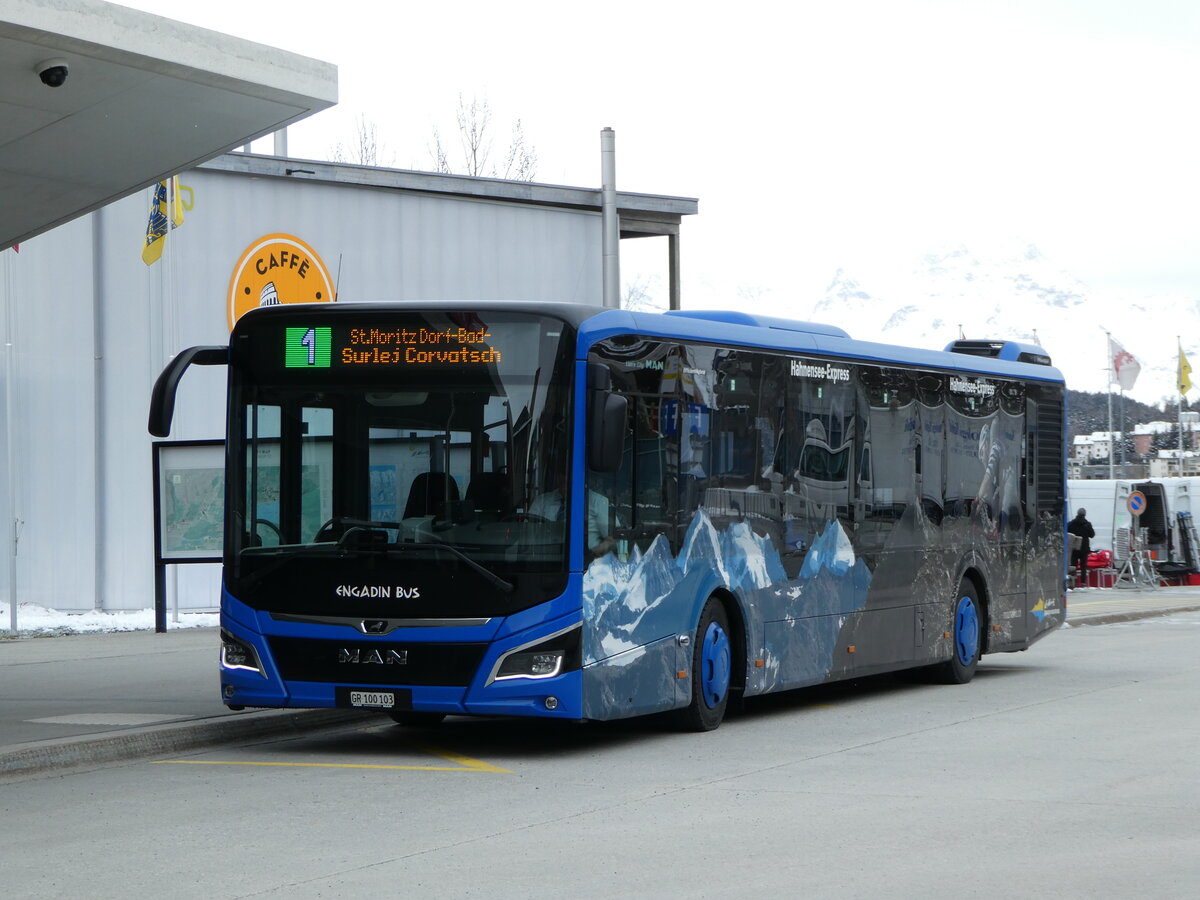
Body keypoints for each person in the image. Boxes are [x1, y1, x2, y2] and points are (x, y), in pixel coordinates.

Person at [1067, 508, 1095, 586]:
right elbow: (1092, 535)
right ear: (1084, 514)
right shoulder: (1087, 524)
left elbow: (1067, 532)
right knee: (1083, 567)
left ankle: (1073, 582)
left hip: (1074, 548)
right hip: (1084, 549)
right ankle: (1083, 583)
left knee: (1073, 565)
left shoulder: (1071, 523)